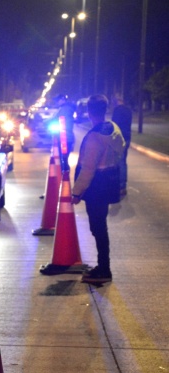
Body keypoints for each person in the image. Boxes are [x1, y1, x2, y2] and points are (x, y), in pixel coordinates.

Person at [72, 95, 125, 284]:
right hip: (109, 181)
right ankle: (103, 266)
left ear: (89, 111)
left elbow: (88, 168)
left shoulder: (94, 136)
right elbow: (122, 149)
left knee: (98, 227)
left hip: (96, 186)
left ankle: (104, 268)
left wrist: (76, 192)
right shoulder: (114, 129)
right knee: (100, 225)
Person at [112, 97, 132, 196]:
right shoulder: (128, 110)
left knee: (119, 162)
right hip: (127, 137)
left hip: (119, 138)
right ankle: (123, 185)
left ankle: (120, 185)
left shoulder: (116, 111)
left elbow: (114, 125)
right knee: (123, 161)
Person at [52, 94, 75, 171]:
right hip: (67, 136)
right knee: (64, 156)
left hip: (64, 136)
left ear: (62, 100)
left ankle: (64, 171)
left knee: (63, 156)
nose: (57, 103)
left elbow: (55, 118)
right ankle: (65, 169)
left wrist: (44, 122)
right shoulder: (66, 108)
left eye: (58, 101)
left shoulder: (64, 109)